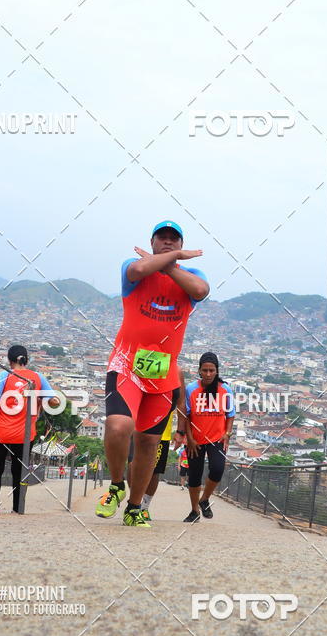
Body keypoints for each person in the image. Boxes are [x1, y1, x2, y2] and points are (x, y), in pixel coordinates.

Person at [96, 220, 208, 527]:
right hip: (126, 365)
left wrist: (169, 264)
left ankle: (135, 507)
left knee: (148, 443)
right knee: (119, 425)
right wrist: (166, 261)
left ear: (181, 244)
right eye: (163, 239)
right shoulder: (133, 265)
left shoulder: (191, 276)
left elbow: (201, 290)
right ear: (153, 241)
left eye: (175, 240)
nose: (169, 242)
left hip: (163, 374)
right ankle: (117, 485)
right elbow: (137, 272)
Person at [0, 345, 59, 513]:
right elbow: (54, 401)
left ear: (9, 361)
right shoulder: (38, 377)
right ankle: (17, 508)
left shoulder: (4, 375)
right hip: (24, 434)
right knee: (19, 471)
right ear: (27, 359)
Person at [126, 369, 187, 521]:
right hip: (136, 426)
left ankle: (144, 507)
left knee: (154, 471)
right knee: (132, 464)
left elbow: (181, 403)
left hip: (162, 431)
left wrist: (180, 431)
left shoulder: (176, 371)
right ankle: (134, 503)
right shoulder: (139, 361)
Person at [183, 352, 234, 522]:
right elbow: (186, 416)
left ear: (217, 371)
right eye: (205, 370)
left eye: (211, 370)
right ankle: (194, 510)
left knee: (218, 469)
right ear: (199, 370)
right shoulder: (191, 388)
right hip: (195, 440)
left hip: (217, 439)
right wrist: (189, 438)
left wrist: (227, 433)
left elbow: (230, 413)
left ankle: (204, 499)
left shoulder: (225, 389)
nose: (208, 374)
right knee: (195, 475)